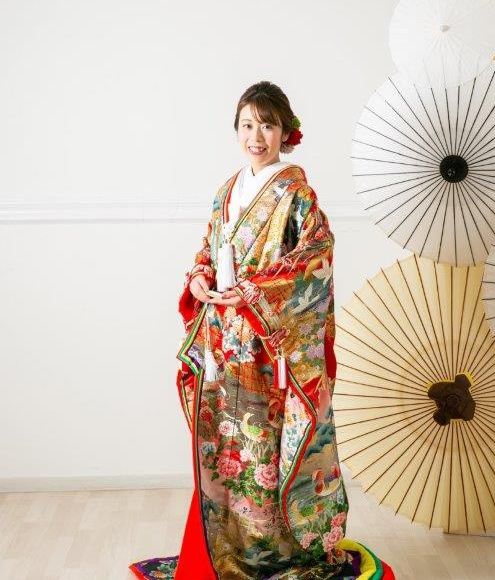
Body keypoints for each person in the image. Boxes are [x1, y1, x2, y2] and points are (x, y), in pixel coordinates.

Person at [130, 81, 395, 579]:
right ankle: (227, 544)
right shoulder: (226, 191)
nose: (257, 136)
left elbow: (314, 260)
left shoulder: (296, 193)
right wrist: (201, 276)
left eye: (268, 125)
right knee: (228, 440)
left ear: (286, 133)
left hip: (269, 344)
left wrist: (254, 292)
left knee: (264, 446)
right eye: (248, 124)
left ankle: (274, 552)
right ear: (236, 130)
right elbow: (209, 248)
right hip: (224, 340)